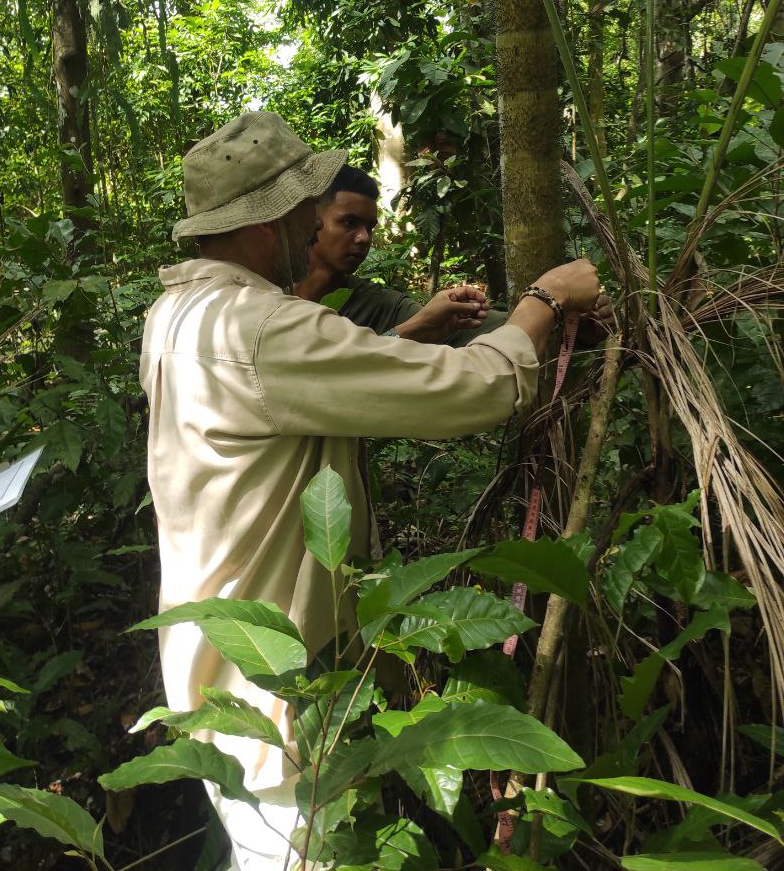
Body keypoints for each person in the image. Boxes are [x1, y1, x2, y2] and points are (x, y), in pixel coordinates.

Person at [139, 112, 600, 871]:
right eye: (302, 211)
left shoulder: (175, 313)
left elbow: (329, 384)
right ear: (268, 222)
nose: (311, 224)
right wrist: (544, 302)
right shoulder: (262, 328)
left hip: (214, 657)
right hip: (273, 685)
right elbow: (467, 389)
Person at [296, 163, 613, 344]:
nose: (364, 238)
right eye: (349, 223)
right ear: (311, 220)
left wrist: (562, 320)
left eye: (370, 226)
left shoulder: (372, 304)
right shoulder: (262, 292)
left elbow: (490, 327)